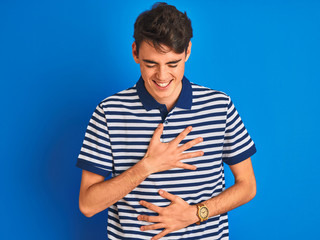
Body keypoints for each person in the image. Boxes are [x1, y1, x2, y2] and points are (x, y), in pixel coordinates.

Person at [77, 2, 257, 239]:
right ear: (135, 52)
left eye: (172, 64)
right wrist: (148, 166)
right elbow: (88, 205)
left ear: (188, 51)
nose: (162, 76)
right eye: (151, 64)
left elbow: (247, 186)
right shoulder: (109, 112)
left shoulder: (220, 106)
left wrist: (196, 213)